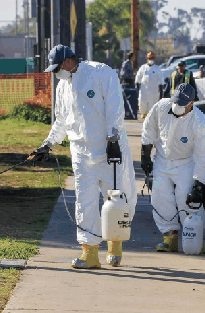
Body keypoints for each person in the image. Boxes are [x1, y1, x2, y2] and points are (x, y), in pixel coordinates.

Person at [28, 45, 137, 269]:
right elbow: (61, 121)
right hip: (81, 154)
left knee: (116, 198)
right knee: (84, 203)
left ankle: (115, 244)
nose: (57, 73)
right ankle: (90, 253)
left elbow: (115, 108)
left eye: (57, 68)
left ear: (68, 61)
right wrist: (47, 145)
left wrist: (113, 139)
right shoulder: (62, 87)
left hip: (109, 151)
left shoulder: (101, 73)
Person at [141, 83, 205, 252]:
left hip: (186, 163)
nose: (177, 107)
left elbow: (202, 156)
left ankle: (195, 239)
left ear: (191, 104)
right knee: (159, 197)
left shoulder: (199, 122)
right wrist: (145, 154)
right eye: (176, 102)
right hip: (162, 160)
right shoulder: (162, 107)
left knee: (186, 200)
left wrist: (198, 184)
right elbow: (149, 130)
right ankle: (169, 237)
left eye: (182, 105)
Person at [135, 51, 163, 118]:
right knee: (142, 101)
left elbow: (161, 79)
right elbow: (138, 77)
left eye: (152, 59)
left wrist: (161, 89)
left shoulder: (157, 68)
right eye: (150, 59)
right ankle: (143, 113)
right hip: (144, 88)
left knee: (153, 102)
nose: (151, 60)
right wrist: (137, 85)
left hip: (154, 89)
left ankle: (151, 115)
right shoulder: (143, 67)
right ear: (147, 59)